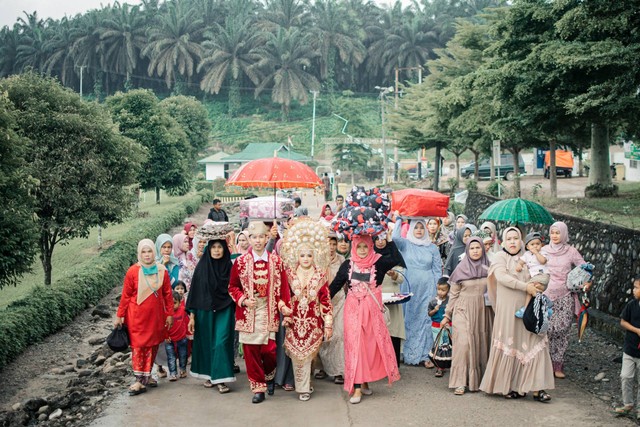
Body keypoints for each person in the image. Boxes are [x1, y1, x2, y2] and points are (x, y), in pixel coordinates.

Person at [479, 227, 554, 402]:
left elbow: (541, 274)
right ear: (503, 241)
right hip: (508, 311)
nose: (513, 242)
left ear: (521, 240)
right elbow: (502, 277)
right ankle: (510, 385)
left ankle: (537, 389)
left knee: (535, 342)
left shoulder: (529, 256)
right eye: (509, 238)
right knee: (511, 344)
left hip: (529, 308)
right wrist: (525, 287)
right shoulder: (500, 257)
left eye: (516, 238)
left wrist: (539, 286)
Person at [329, 234, 400, 404]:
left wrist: (389, 239)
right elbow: (334, 287)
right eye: (358, 246)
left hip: (372, 314)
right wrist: (318, 301)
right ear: (354, 247)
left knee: (369, 348)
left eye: (365, 247)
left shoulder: (379, 262)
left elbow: (396, 258)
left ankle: (365, 381)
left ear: (371, 247)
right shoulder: (348, 265)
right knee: (356, 347)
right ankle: (357, 388)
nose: (362, 250)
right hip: (353, 312)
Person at [228, 221, 292, 404]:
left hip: (269, 311)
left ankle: (269, 376)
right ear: (249, 238)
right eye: (253, 237)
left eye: (261, 237)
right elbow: (232, 287)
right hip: (248, 313)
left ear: (266, 238)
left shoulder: (276, 261)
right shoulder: (240, 262)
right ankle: (258, 387)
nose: (257, 241)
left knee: (269, 351)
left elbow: (283, 290)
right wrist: (244, 300)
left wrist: (284, 308)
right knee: (251, 352)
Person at [280, 219, 333, 401]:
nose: (305, 259)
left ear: (314, 257)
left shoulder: (320, 275)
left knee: (309, 356)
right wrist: (285, 309)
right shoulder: (290, 274)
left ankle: (305, 383)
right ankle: (302, 388)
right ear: (297, 256)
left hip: (312, 323)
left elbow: (325, 301)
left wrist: (327, 323)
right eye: (302, 255)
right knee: (297, 357)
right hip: (294, 322)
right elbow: (282, 296)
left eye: (309, 255)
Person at [115, 239, 174, 396]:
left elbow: (168, 295)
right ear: (139, 253)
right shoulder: (133, 271)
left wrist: (169, 314)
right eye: (143, 252)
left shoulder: (162, 271)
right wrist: (120, 315)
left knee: (152, 345)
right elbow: (126, 295)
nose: (147, 255)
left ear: (154, 252)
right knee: (138, 347)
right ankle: (139, 380)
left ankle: (146, 377)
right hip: (136, 317)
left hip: (155, 317)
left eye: (149, 251)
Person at [187, 224, 237, 394]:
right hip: (205, 311)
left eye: (219, 247)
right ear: (208, 249)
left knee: (221, 342)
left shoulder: (230, 268)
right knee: (207, 343)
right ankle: (210, 375)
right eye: (213, 247)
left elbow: (236, 287)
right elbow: (194, 292)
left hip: (225, 310)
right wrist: (192, 316)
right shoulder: (202, 268)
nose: (216, 251)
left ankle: (221, 379)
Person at [441, 237, 491, 395]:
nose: (475, 251)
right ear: (467, 251)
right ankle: (460, 382)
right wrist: (447, 315)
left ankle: (479, 380)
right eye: (472, 248)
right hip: (462, 309)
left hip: (483, 311)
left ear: (483, 249)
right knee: (463, 344)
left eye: (478, 248)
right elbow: (453, 295)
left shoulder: (489, 267)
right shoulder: (460, 269)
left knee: (481, 343)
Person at [392, 215, 442, 368]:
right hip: (409, 285)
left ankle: (426, 355)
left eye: (421, 227)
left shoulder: (432, 247)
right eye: (416, 227)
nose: (419, 230)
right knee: (409, 317)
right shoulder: (406, 244)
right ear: (412, 228)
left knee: (425, 319)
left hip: (427, 286)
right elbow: (394, 237)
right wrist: (400, 219)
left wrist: (437, 291)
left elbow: (437, 270)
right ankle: (408, 353)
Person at [543, 221, 591, 379]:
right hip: (545, 295)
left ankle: (558, 365)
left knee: (562, 331)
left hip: (565, 296)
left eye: (558, 233)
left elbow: (584, 268)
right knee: (546, 330)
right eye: (552, 232)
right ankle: (545, 363)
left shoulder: (571, 251)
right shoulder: (543, 251)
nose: (555, 236)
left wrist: (586, 282)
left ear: (563, 234)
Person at [317, 233, 347, 384]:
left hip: (339, 300)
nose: (332, 247)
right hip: (322, 302)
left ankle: (338, 371)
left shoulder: (342, 260)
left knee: (339, 334)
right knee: (324, 335)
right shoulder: (318, 260)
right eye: (329, 244)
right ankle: (323, 367)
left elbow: (345, 281)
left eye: (334, 244)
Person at [374, 233, 406, 367]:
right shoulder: (370, 256)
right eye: (377, 239)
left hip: (393, 298)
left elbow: (401, 278)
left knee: (392, 330)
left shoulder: (394, 255)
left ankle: (392, 365)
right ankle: (378, 366)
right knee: (377, 332)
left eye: (383, 239)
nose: (380, 242)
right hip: (375, 298)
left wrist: (394, 274)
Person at [614, 278, 640, 417]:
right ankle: (628, 404)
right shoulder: (632, 305)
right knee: (625, 376)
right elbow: (623, 322)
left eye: (636, 287)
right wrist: (636, 330)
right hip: (630, 348)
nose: (634, 290)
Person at [515, 232, 550, 318]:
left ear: (541, 245)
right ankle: (544, 307)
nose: (535, 246)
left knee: (530, 287)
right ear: (527, 247)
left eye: (537, 244)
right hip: (535, 277)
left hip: (542, 275)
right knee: (532, 291)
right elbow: (521, 261)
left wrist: (536, 253)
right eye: (532, 244)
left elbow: (543, 261)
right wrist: (519, 265)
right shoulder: (527, 254)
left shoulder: (543, 252)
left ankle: (527, 309)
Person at [427, 278, 450, 377]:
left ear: (448, 290)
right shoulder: (433, 302)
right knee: (439, 346)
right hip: (436, 327)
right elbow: (429, 313)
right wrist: (435, 310)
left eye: (443, 290)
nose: (440, 292)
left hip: (448, 326)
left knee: (448, 345)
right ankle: (439, 367)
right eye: (439, 289)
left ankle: (448, 364)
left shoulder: (449, 301)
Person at [165, 291, 188, 381]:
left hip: (182, 338)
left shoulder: (183, 310)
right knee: (171, 357)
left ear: (180, 302)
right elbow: (163, 326)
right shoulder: (166, 313)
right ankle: (173, 373)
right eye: (169, 303)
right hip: (169, 340)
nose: (172, 305)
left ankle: (182, 370)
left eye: (174, 303)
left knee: (183, 355)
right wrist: (165, 336)